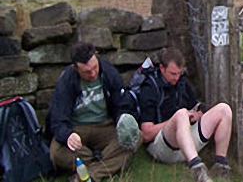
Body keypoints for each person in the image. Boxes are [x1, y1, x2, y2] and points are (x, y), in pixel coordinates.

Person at [47, 42, 141, 181]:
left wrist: (123, 118)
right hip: (77, 129)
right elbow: (57, 119)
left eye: (95, 68)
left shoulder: (109, 72)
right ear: (76, 68)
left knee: (136, 136)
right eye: (86, 72)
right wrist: (68, 135)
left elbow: (122, 103)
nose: (93, 74)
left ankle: (89, 174)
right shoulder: (66, 81)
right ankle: (109, 162)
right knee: (57, 153)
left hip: (105, 125)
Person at [139, 47, 233, 182]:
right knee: (181, 114)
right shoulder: (149, 88)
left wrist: (197, 115)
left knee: (224, 109)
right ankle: (197, 170)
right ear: (162, 68)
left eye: (179, 73)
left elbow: (195, 106)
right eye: (172, 74)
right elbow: (146, 134)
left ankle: (221, 166)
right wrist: (177, 120)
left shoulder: (182, 83)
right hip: (162, 147)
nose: (176, 78)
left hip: (186, 141)